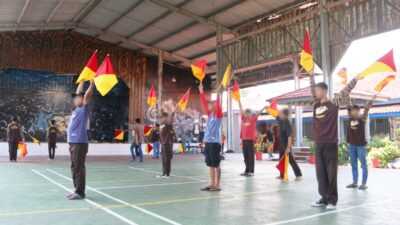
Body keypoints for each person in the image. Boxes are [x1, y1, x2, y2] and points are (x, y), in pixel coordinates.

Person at [309, 73, 359, 210]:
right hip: (319, 143)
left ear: (324, 91)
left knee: (331, 173)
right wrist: (310, 75)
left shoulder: (334, 103)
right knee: (320, 173)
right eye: (315, 91)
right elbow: (311, 88)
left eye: (318, 90)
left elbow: (345, 91)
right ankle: (324, 198)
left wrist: (355, 79)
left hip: (330, 143)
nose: (315, 93)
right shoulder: (315, 105)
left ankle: (332, 200)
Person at [67, 80, 93, 200]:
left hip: (79, 142)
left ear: (82, 100)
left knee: (78, 167)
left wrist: (92, 84)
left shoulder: (84, 109)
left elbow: (87, 95)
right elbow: (79, 92)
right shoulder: (76, 109)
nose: (75, 99)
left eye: (78, 98)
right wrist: (82, 81)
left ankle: (80, 192)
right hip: (72, 142)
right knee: (74, 166)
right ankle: (76, 189)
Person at [346, 97, 375, 190]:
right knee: (353, 164)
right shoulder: (350, 118)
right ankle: (354, 182)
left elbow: (366, 110)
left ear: (359, 111)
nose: (353, 112)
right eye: (352, 111)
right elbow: (348, 104)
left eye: (355, 111)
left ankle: (363, 183)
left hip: (361, 146)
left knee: (363, 164)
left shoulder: (362, 119)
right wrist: (347, 96)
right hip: (352, 145)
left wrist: (369, 102)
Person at [199, 83, 223, 192]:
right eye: (208, 105)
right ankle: (212, 184)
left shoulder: (218, 115)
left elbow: (218, 103)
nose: (208, 106)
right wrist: (201, 92)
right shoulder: (209, 116)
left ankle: (217, 185)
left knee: (216, 164)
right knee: (210, 164)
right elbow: (203, 103)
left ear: (214, 106)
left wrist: (218, 94)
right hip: (208, 142)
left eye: (210, 105)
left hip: (215, 143)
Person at [238, 100, 265, 177]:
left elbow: (258, 113)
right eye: (245, 113)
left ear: (250, 114)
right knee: (245, 156)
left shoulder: (253, 119)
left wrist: (263, 108)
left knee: (250, 156)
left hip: (250, 140)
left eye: (248, 113)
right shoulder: (243, 119)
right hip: (244, 140)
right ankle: (247, 170)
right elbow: (241, 109)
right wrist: (239, 101)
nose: (246, 114)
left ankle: (251, 171)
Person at [276, 109, 302, 180]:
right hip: (281, 145)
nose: (279, 114)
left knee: (291, 160)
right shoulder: (280, 120)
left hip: (286, 145)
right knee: (281, 160)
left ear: (284, 115)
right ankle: (282, 175)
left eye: (281, 113)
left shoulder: (287, 123)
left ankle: (298, 174)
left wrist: (288, 147)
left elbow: (289, 136)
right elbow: (276, 113)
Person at [158, 101, 176, 178]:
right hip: (163, 142)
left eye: (162, 117)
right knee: (163, 158)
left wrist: (171, 111)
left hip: (167, 142)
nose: (160, 118)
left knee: (167, 158)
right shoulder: (162, 124)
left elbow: (171, 116)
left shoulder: (168, 122)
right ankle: (164, 173)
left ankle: (167, 174)